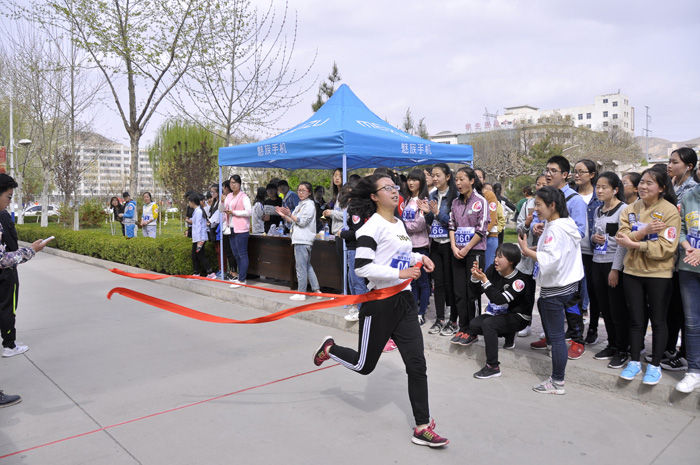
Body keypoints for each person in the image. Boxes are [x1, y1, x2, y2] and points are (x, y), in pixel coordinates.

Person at [311, 173, 448, 448]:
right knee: (364, 365)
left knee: (417, 364)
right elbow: (362, 267)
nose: (395, 191)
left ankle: (422, 426)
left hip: (404, 301)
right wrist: (400, 272)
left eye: (395, 187)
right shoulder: (370, 227)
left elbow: (399, 253)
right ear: (374, 197)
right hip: (379, 304)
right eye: (387, 188)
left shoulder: (397, 222)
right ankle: (331, 348)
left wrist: (420, 257)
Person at [518, 186, 584, 394]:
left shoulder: (555, 228)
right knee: (556, 337)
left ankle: (557, 382)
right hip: (569, 285)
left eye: (539, 204)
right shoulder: (565, 223)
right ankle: (557, 379)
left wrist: (527, 250)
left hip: (555, 289)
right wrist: (537, 248)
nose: (535, 209)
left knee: (556, 339)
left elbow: (551, 259)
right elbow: (556, 250)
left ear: (552, 205)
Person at [616, 169, 680, 385]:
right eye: (641, 182)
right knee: (635, 320)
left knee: (659, 321)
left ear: (661, 188)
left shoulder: (670, 211)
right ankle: (634, 362)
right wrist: (644, 232)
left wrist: (635, 244)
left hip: (658, 274)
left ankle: (654, 367)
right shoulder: (630, 209)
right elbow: (621, 236)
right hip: (632, 272)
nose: (643, 187)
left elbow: (666, 247)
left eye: (649, 183)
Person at [530, 156, 587, 360]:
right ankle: (551, 336)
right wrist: (538, 227)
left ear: (565, 174)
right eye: (547, 169)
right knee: (546, 301)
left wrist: (556, 235)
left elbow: (580, 231)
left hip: (564, 264)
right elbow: (538, 221)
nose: (548, 174)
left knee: (571, 303)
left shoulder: (575, 200)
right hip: (547, 255)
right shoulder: (544, 196)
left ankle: (576, 339)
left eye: (553, 170)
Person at [0, 174, 50, 405]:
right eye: (8, 196)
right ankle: (9, 344)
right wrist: (31, 250)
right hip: (4, 275)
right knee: (8, 310)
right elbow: (2, 259)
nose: (9, 202)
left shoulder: (4, 216)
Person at [468, 243, 534, 378]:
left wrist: (485, 280)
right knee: (474, 325)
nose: (495, 260)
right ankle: (508, 336)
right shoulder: (493, 270)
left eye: (500, 257)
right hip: (501, 314)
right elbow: (476, 292)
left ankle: (493, 366)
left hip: (519, 317)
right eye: (496, 256)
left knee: (489, 324)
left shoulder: (520, 281)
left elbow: (499, 299)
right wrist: (475, 278)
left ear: (511, 261)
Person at [662, 148, 699, 371]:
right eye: (669, 161)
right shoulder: (672, 187)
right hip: (675, 257)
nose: (669, 165)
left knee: (690, 314)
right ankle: (672, 351)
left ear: (689, 167)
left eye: (674, 162)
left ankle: (686, 354)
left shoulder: (692, 191)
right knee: (676, 308)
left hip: (689, 260)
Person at [589, 172, 629, 369]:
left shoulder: (624, 210)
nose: (600, 190)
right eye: (598, 187)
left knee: (617, 309)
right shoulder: (597, 210)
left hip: (614, 264)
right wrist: (594, 239)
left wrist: (615, 269)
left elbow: (623, 243)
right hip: (598, 261)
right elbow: (594, 234)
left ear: (615, 190)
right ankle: (612, 344)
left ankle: (623, 348)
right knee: (605, 307)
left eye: (605, 187)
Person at [448, 167, 488, 345]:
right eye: (456, 179)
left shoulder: (480, 201)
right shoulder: (455, 202)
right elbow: (451, 225)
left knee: (472, 292)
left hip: (475, 252)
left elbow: (482, 229)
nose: (458, 183)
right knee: (459, 292)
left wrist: (466, 249)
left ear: (472, 181)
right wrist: (454, 247)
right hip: (457, 253)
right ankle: (463, 328)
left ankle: (473, 329)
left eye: (462, 179)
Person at [573, 159, 603, 345]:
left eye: (581, 171)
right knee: (574, 291)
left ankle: (593, 327)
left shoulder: (598, 196)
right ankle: (576, 328)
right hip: (575, 251)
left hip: (595, 252)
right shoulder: (570, 196)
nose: (577, 175)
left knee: (594, 292)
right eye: (575, 171)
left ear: (592, 175)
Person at [676, 163, 700, 392]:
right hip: (689, 267)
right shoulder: (690, 196)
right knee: (692, 323)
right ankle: (693, 371)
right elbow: (681, 227)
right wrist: (686, 246)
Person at [277, 182, 322, 301]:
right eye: (299, 190)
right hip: (299, 238)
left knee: (301, 267)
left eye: (303, 190)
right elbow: (293, 221)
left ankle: (301, 292)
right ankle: (317, 290)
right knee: (306, 265)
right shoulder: (300, 204)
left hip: (303, 239)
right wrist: (284, 215)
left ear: (309, 192)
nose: (300, 193)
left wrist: (290, 214)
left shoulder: (309, 205)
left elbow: (302, 222)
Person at [427, 163, 458, 336]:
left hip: (450, 244)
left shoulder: (455, 197)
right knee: (437, 283)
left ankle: (453, 320)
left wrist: (438, 213)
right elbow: (432, 221)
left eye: (438, 175)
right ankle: (440, 319)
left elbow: (453, 222)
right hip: (436, 244)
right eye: (433, 175)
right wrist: (427, 213)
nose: (435, 178)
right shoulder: (432, 195)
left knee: (450, 283)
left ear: (447, 177)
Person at [515, 174, 546, 338]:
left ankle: (546, 327)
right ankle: (525, 323)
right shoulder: (528, 204)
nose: (540, 187)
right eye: (538, 184)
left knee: (546, 295)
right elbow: (519, 229)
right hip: (528, 257)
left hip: (546, 256)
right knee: (527, 292)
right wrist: (527, 224)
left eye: (544, 183)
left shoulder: (553, 204)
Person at [401, 169, 433, 325]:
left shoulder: (423, 201)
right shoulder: (407, 200)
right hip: (407, 246)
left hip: (420, 246)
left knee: (422, 282)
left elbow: (420, 224)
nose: (411, 182)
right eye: (409, 179)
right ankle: (413, 311)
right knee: (411, 281)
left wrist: (402, 226)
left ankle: (421, 313)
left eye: (415, 179)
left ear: (421, 182)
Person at [339, 183, 368, 321]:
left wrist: (343, 233)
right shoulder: (358, 206)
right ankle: (357, 305)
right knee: (352, 279)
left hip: (355, 247)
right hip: (353, 247)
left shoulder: (356, 207)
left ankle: (361, 309)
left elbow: (357, 231)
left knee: (357, 280)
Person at [225, 175, 251, 288]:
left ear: (240, 184)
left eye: (235, 183)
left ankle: (242, 279)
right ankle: (240, 277)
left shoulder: (244, 196)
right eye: (231, 183)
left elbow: (249, 212)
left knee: (242, 254)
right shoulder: (229, 196)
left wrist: (235, 212)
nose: (233, 185)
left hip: (241, 229)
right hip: (230, 227)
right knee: (236, 254)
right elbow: (224, 209)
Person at [474, 169, 500, 269]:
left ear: (484, 180)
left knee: (487, 268)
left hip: (489, 237)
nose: (477, 179)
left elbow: (492, 218)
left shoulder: (489, 194)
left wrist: (481, 234)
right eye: (475, 176)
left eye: (479, 177)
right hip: (474, 238)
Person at [188, 193, 214, 278]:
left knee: (200, 255)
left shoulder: (198, 211)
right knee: (195, 255)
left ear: (193, 202)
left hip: (200, 238)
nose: (189, 203)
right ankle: (196, 272)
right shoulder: (197, 211)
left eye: (189, 201)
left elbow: (198, 226)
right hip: (197, 238)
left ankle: (210, 272)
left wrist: (199, 240)